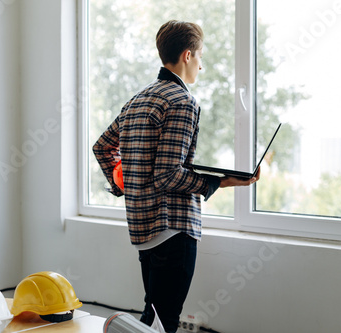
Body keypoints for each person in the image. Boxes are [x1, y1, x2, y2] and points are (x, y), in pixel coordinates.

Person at [93, 20, 259, 333]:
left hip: (143, 228)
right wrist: (217, 181)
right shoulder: (182, 102)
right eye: (200, 57)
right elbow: (169, 175)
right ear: (186, 56)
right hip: (173, 228)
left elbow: (102, 148)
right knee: (163, 323)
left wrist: (124, 184)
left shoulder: (138, 100)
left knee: (153, 319)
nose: (201, 65)